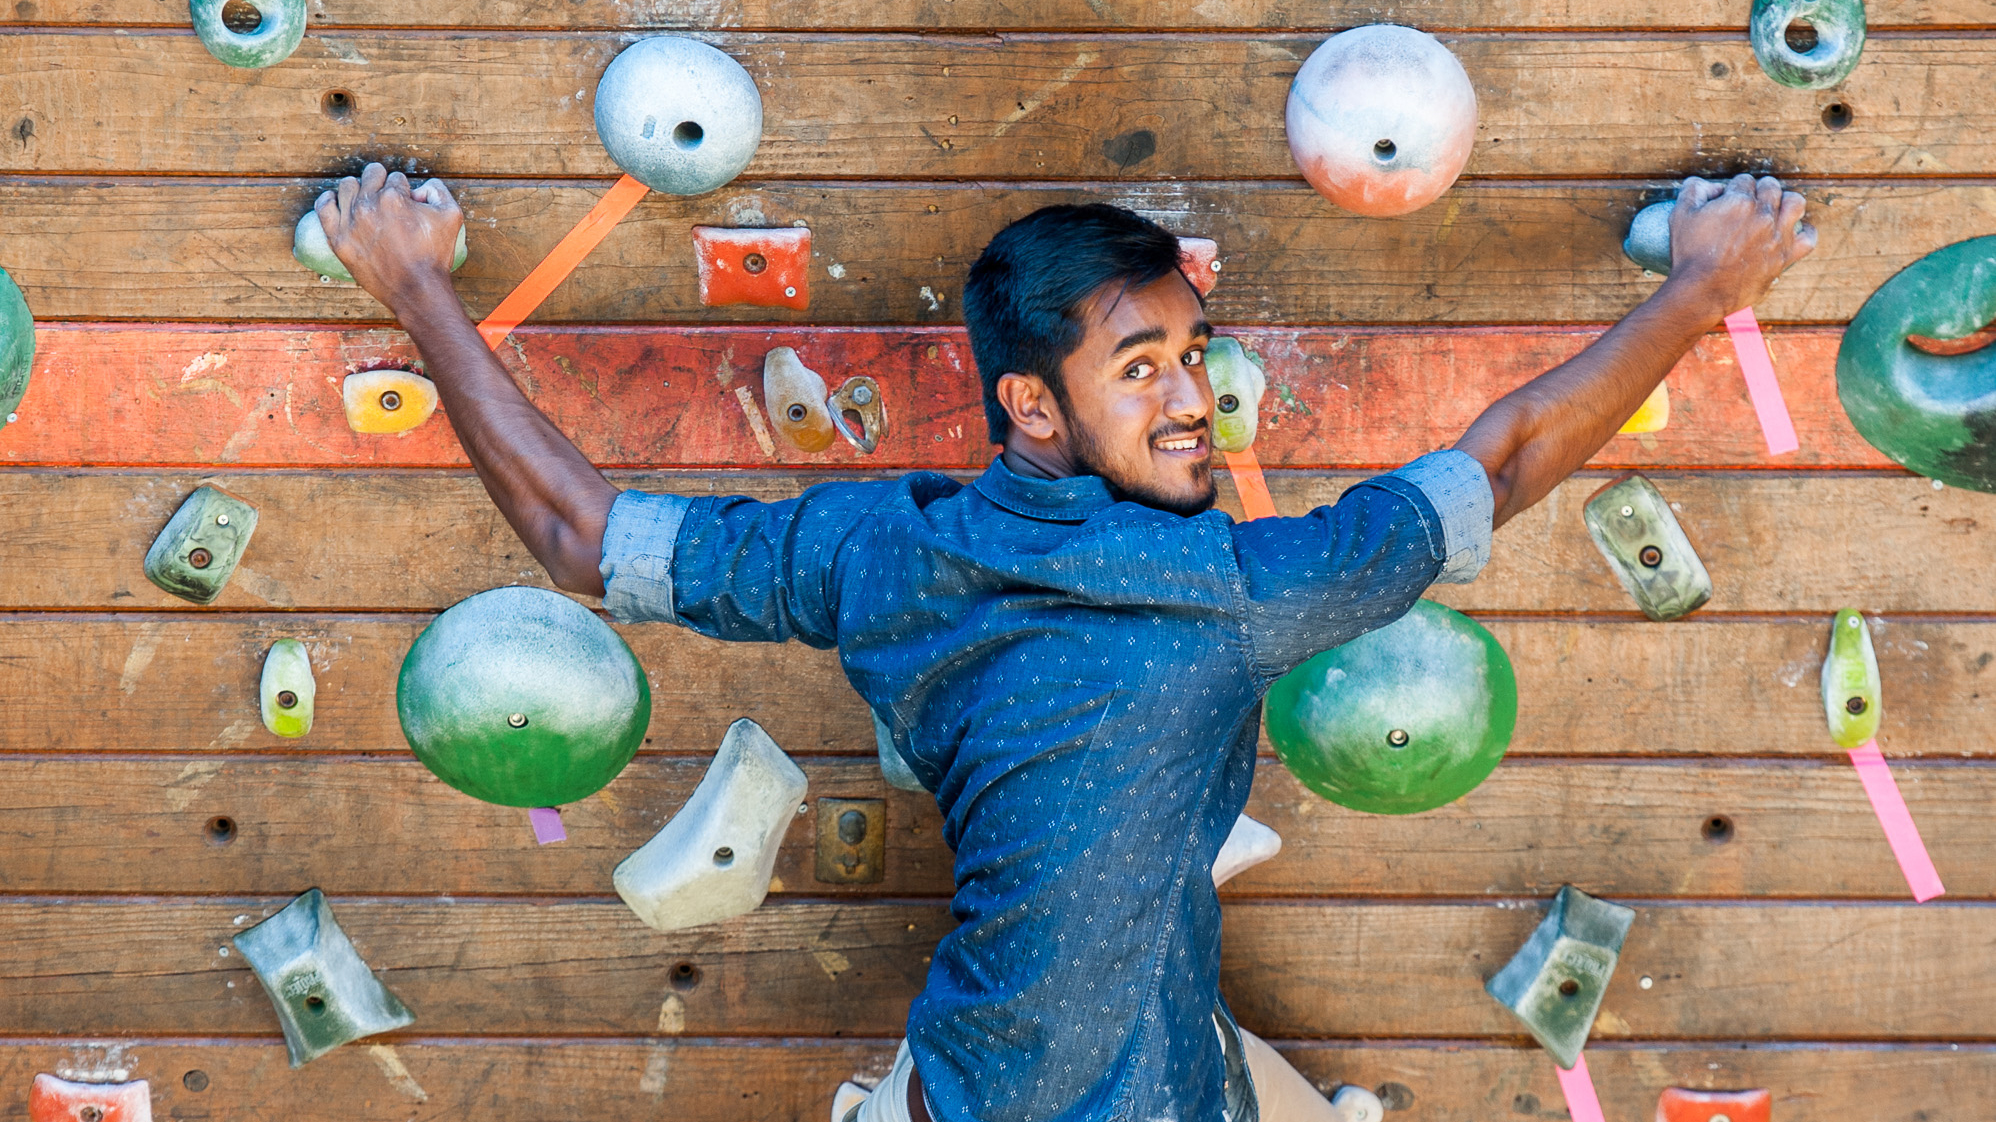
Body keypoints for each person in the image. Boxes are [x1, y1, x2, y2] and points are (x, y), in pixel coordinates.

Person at [313, 164, 1812, 1122]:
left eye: (1192, 356)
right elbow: (1502, 463)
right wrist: (1700, 287)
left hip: (981, 1077)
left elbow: (583, 536)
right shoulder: (1236, 586)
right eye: (1141, 367)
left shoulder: (875, 548)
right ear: (1035, 404)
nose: (1190, 401)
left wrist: (415, 281)